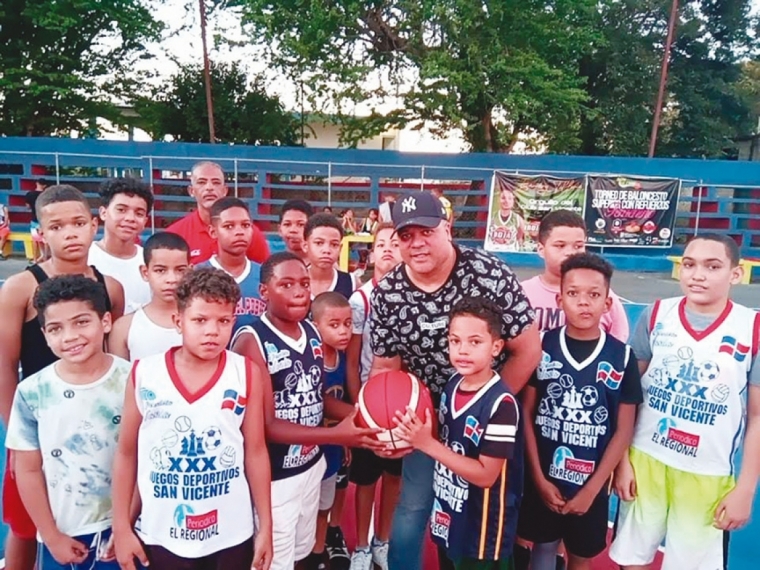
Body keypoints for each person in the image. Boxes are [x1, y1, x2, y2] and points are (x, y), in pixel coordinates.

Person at [370, 190, 540, 570]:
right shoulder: (389, 293)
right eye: (406, 235)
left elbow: (528, 349)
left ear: (447, 229)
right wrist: (385, 426)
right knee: (413, 510)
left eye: (426, 232)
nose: (416, 243)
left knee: (480, 517)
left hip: (482, 425)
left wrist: (483, 409)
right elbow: (385, 369)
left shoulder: (487, 272)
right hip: (423, 422)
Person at [609, 234, 760, 570]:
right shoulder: (656, 315)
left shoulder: (753, 329)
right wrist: (621, 462)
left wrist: (746, 489)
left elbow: (757, 416)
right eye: (689, 264)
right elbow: (627, 396)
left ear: (736, 274)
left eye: (713, 266)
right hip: (645, 460)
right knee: (630, 559)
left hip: (706, 472)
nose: (698, 274)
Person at [111, 268, 273, 570]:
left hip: (230, 532)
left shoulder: (246, 372)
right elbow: (126, 453)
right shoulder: (145, 373)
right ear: (179, 321)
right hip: (162, 531)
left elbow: (256, 451)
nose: (212, 330)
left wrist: (265, 526)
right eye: (200, 320)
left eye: (223, 321)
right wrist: (122, 525)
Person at [231, 252, 383, 570]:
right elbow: (267, 424)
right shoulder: (252, 340)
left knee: (301, 553)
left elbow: (316, 398)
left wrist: (364, 417)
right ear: (264, 293)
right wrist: (335, 434)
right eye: (286, 284)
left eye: (303, 283)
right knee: (275, 560)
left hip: (310, 464)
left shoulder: (312, 333)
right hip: (276, 476)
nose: (299, 291)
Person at [0, 184, 125, 570]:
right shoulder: (20, 286)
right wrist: (15, 433)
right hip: (40, 421)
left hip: (96, 424)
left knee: (102, 512)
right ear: (41, 232)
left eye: (78, 223)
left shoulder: (111, 288)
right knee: (26, 526)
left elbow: (113, 357)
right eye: (56, 226)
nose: (69, 233)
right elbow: (5, 364)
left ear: (94, 224)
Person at [517, 253, 642, 570]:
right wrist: (539, 478)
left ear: (608, 303)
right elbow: (527, 416)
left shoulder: (622, 357)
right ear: (560, 299)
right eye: (573, 293)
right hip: (544, 479)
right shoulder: (542, 346)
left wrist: (593, 489)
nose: (583, 302)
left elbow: (623, 429)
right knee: (540, 549)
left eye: (594, 294)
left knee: (580, 558)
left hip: (591, 486)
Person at [395, 297, 522, 570]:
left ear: (496, 347)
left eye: (475, 342)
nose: (463, 350)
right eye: (455, 341)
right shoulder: (453, 384)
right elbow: (446, 439)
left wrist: (427, 443)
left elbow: (487, 475)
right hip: (451, 511)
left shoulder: (502, 404)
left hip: (482, 528)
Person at [346, 223, 403, 570]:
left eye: (395, 243)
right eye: (380, 243)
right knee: (365, 479)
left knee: (394, 477)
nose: (387, 249)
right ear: (371, 252)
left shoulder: (413, 296)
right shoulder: (360, 299)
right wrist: (358, 407)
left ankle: (383, 539)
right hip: (369, 403)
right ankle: (361, 545)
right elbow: (353, 361)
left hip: (400, 407)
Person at [521, 210, 629, 338]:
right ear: (541, 249)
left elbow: (618, 345)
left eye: (578, 246)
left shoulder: (602, 296)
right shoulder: (521, 294)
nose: (570, 252)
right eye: (560, 246)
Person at [306, 292, 354, 570]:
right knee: (306, 508)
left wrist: (345, 440)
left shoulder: (344, 356)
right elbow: (323, 403)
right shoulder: (311, 357)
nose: (344, 331)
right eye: (334, 325)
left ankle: (317, 555)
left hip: (334, 447)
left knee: (325, 506)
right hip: (310, 447)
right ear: (315, 325)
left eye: (347, 323)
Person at [166, 161, 270, 265]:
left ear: (225, 190)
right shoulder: (174, 235)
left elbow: (265, 273)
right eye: (202, 182)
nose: (209, 188)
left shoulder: (249, 234)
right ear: (191, 191)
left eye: (216, 182)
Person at [108, 232, 190, 361]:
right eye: (160, 270)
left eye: (180, 270)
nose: (171, 279)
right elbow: (121, 378)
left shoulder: (201, 322)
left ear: (190, 271)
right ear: (145, 272)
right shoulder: (124, 327)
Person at [197, 197, 266, 333]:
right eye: (229, 226)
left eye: (245, 225)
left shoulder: (265, 275)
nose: (239, 232)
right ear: (213, 232)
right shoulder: (197, 275)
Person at [88, 177, 153, 314]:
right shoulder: (85, 259)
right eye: (121, 210)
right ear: (103, 213)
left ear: (145, 221)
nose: (130, 218)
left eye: (139, 213)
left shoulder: (151, 262)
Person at [304, 213, 354, 298]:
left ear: (340, 248)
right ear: (305, 246)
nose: (327, 250)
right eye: (319, 243)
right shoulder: (293, 282)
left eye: (334, 245)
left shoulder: (351, 283)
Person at [488, 187, 525, 252]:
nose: (506, 201)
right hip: (493, 252)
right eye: (503, 198)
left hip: (511, 254)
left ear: (513, 201)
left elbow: (519, 237)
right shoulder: (491, 217)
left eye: (510, 198)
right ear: (498, 200)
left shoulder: (518, 219)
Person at [27, 178, 50, 262]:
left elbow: (28, 207)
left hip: (34, 220)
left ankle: (35, 259)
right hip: (44, 220)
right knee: (45, 240)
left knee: (35, 239)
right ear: (44, 186)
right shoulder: (45, 196)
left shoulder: (29, 194)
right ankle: (45, 258)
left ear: (37, 183)